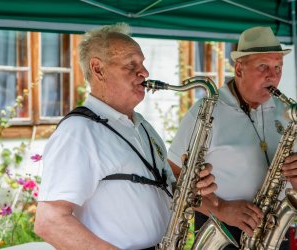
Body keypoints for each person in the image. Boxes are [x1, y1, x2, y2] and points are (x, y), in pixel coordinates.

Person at [34, 23, 217, 250]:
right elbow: (50, 221)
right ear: (98, 69)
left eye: (142, 63)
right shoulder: (79, 132)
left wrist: (190, 185)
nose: (145, 73)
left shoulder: (142, 125)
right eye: (131, 64)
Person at [168, 26, 297, 249]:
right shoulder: (207, 110)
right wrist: (219, 208)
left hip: (275, 233)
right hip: (221, 233)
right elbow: (173, 175)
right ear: (239, 69)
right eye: (263, 66)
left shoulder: (286, 112)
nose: (273, 75)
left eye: (278, 67)